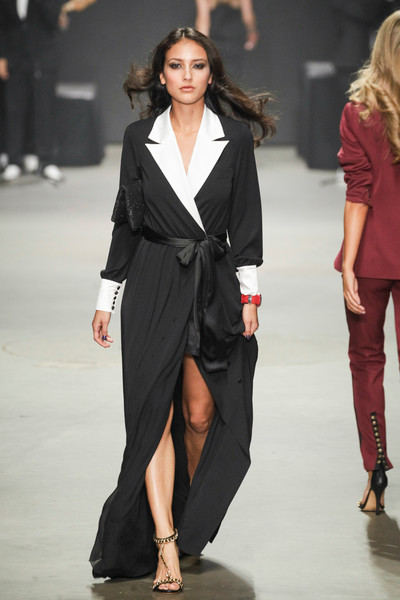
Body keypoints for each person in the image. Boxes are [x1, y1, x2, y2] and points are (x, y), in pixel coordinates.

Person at [90, 26, 274, 593]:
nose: (187, 75)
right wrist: (107, 296)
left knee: (198, 415)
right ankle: (165, 542)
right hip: (151, 281)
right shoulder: (138, 138)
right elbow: (127, 220)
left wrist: (250, 295)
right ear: (161, 75)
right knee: (154, 417)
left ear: (211, 75)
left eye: (197, 65)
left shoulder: (233, 139)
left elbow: (245, 220)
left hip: (212, 284)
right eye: (176, 65)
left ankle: (187, 512)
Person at [334, 10, 400, 516]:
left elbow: (359, 192)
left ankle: (376, 473)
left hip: (374, 254)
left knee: (367, 363)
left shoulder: (359, 113)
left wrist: (351, 264)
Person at [0, 0, 65, 182]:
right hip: (15, 60)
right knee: (14, 110)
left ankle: (47, 161)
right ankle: (14, 160)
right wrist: (2, 57)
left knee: (45, 110)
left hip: (43, 59)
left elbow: (54, 20)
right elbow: (3, 26)